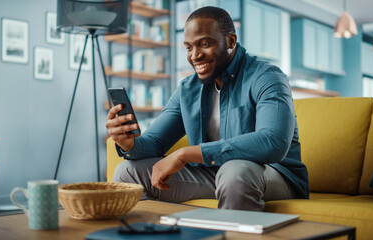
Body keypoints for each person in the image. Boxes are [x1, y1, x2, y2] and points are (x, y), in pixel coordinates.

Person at [105, 6, 309, 211]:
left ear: (230, 41)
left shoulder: (267, 76)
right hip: (216, 174)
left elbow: (273, 141)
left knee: (234, 172)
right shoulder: (188, 88)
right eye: (189, 47)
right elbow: (156, 142)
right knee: (127, 172)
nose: (195, 55)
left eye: (204, 44)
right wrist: (129, 143)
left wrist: (186, 154)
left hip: (275, 175)